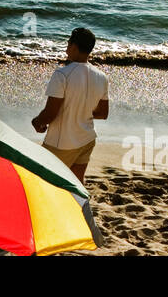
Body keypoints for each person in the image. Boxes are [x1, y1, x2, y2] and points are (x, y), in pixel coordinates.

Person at [31, 27, 109, 183]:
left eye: (68, 43)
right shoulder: (102, 77)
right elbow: (103, 113)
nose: (67, 46)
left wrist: (37, 122)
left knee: (42, 182)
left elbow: (50, 113)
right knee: (75, 184)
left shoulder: (62, 74)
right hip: (86, 139)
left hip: (62, 143)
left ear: (73, 46)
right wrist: (81, 110)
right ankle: (78, 207)